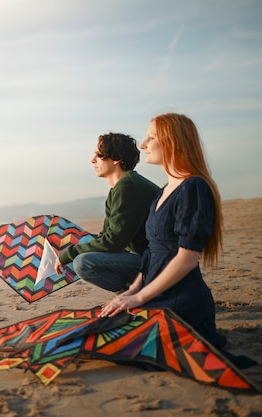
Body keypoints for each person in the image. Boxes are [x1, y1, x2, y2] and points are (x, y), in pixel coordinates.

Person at [100, 113, 227, 348]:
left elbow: (187, 260)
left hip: (180, 299)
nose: (143, 145)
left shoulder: (193, 188)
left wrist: (140, 298)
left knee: (117, 343)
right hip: (153, 292)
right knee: (99, 329)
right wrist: (131, 291)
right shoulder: (163, 191)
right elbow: (151, 253)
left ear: (172, 141)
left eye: (150, 138)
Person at [54, 133, 160, 292]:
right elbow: (107, 236)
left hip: (158, 263)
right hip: (148, 258)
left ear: (116, 158)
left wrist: (68, 254)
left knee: (84, 263)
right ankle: (133, 293)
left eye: (98, 155)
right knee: (85, 258)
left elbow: (113, 243)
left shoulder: (128, 187)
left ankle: (131, 295)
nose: (92, 160)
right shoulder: (120, 188)